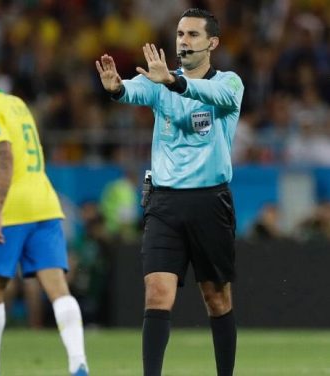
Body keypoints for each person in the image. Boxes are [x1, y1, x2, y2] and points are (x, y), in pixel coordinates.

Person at [96, 8, 243, 376]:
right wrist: (116, 87)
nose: (184, 41)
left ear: (213, 43)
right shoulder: (160, 82)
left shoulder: (229, 83)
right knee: (157, 294)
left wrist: (175, 84)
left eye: (193, 35)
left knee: (216, 297)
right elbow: (133, 89)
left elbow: (216, 96)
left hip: (211, 201)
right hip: (165, 202)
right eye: (180, 34)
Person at [0, 50, 89, 376]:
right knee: (57, 287)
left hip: (12, 207)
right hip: (44, 201)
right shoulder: (17, 103)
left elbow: (4, 155)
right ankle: (78, 364)